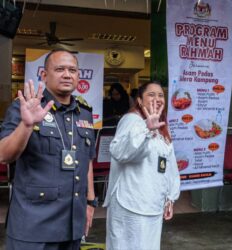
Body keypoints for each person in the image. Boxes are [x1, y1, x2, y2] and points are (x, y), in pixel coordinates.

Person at [0, 49, 97, 250]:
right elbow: (4, 155)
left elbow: (86, 160)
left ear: (78, 75)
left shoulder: (84, 113)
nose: (67, 74)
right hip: (34, 226)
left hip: (72, 225)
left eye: (72, 70)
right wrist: (26, 126)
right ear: (44, 75)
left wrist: (90, 203)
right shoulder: (25, 106)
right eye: (60, 69)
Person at [103, 81, 180, 250]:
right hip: (130, 203)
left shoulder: (162, 127)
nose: (157, 98)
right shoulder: (132, 120)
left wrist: (170, 196)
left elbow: (169, 164)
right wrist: (147, 130)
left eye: (160, 95)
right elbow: (120, 152)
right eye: (151, 94)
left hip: (152, 203)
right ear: (139, 100)